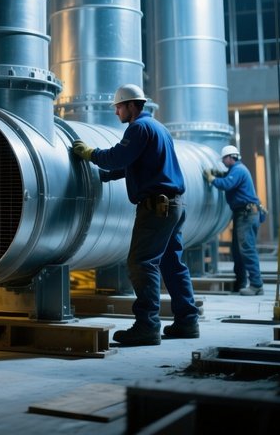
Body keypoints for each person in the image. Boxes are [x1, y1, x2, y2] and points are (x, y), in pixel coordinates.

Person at [71, 84, 200, 346]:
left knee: (141, 263)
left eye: (119, 106)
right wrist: (107, 176)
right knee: (172, 265)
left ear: (132, 106)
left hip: (156, 208)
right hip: (174, 205)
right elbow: (138, 163)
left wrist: (90, 154)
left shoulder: (138, 128)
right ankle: (187, 321)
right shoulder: (159, 128)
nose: (116, 111)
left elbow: (119, 157)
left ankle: (147, 326)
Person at [205, 145, 265, 295]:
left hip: (246, 214)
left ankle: (256, 285)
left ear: (231, 157)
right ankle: (240, 283)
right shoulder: (235, 170)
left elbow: (227, 184)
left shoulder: (238, 170)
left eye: (224, 159)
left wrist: (212, 178)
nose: (223, 161)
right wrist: (219, 173)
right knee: (238, 251)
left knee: (247, 249)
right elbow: (226, 176)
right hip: (242, 214)